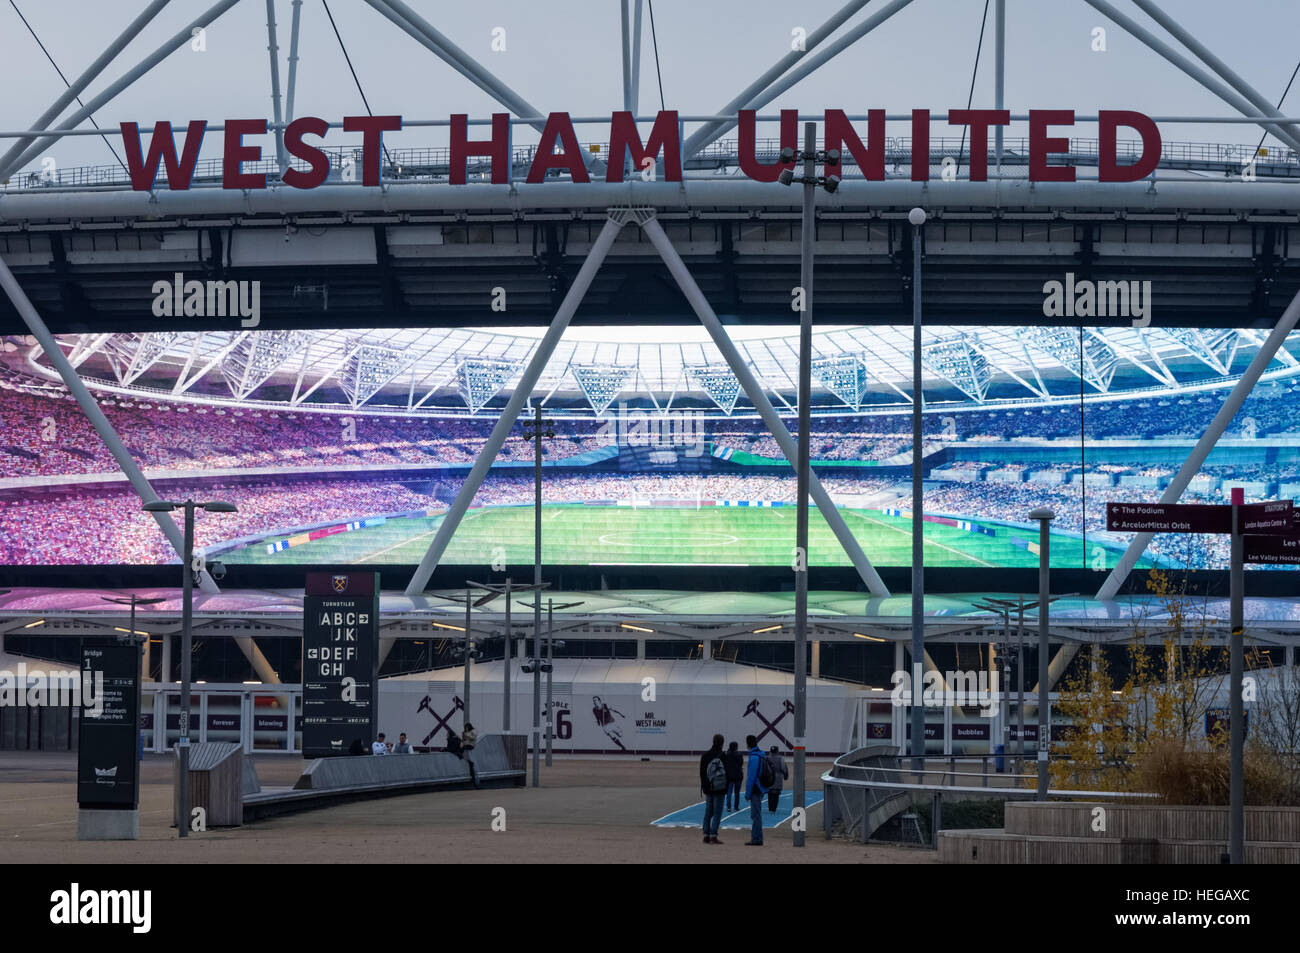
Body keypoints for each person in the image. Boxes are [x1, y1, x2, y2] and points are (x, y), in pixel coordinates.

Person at [699, 733, 728, 845]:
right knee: (717, 812)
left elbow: (702, 773)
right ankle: (713, 835)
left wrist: (704, 786)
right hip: (720, 788)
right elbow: (726, 773)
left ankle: (706, 834)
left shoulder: (705, 755)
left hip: (708, 787)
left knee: (708, 811)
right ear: (722, 743)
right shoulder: (723, 756)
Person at [743, 734, 769, 846]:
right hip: (760, 787)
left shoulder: (753, 757)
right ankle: (757, 837)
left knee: (755, 815)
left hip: (755, 788)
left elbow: (751, 777)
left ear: (748, 744)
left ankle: (757, 838)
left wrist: (747, 793)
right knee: (756, 814)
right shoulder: (761, 755)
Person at [767, 745, 789, 813]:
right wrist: (786, 775)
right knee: (776, 794)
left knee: (770, 793)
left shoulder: (767, 758)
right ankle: (773, 809)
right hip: (778, 777)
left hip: (768, 777)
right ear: (777, 751)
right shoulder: (780, 758)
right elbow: (783, 768)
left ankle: (770, 808)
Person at [723, 741, 744, 812]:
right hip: (738, 775)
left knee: (729, 792)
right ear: (736, 747)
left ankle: (728, 806)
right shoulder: (739, 755)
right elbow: (741, 764)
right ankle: (736, 807)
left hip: (729, 776)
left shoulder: (726, 755)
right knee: (737, 792)